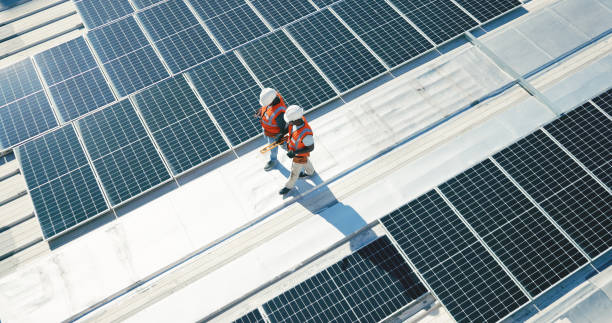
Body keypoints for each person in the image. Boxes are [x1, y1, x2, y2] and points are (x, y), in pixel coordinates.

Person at [278, 105, 315, 195]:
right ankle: (311, 172)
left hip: (298, 154)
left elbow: (311, 148)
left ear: (295, 121)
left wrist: (294, 152)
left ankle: (288, 186)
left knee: (294, 173)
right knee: (305, 161)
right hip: (297, 152)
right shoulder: (297, 120)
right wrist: (282, 134)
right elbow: (290, 128)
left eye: (290, 122)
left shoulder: (306, 134)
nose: (288, 123)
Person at [257, 88, 287, 171]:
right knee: (271, 142)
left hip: (273, 135)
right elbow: (267, 108)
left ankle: (274, 160)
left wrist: (279, 137)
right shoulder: (271, 95)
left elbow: (284, 127)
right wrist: (260, 111)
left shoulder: (279, 113)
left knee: (274, 148)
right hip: (267, 130)